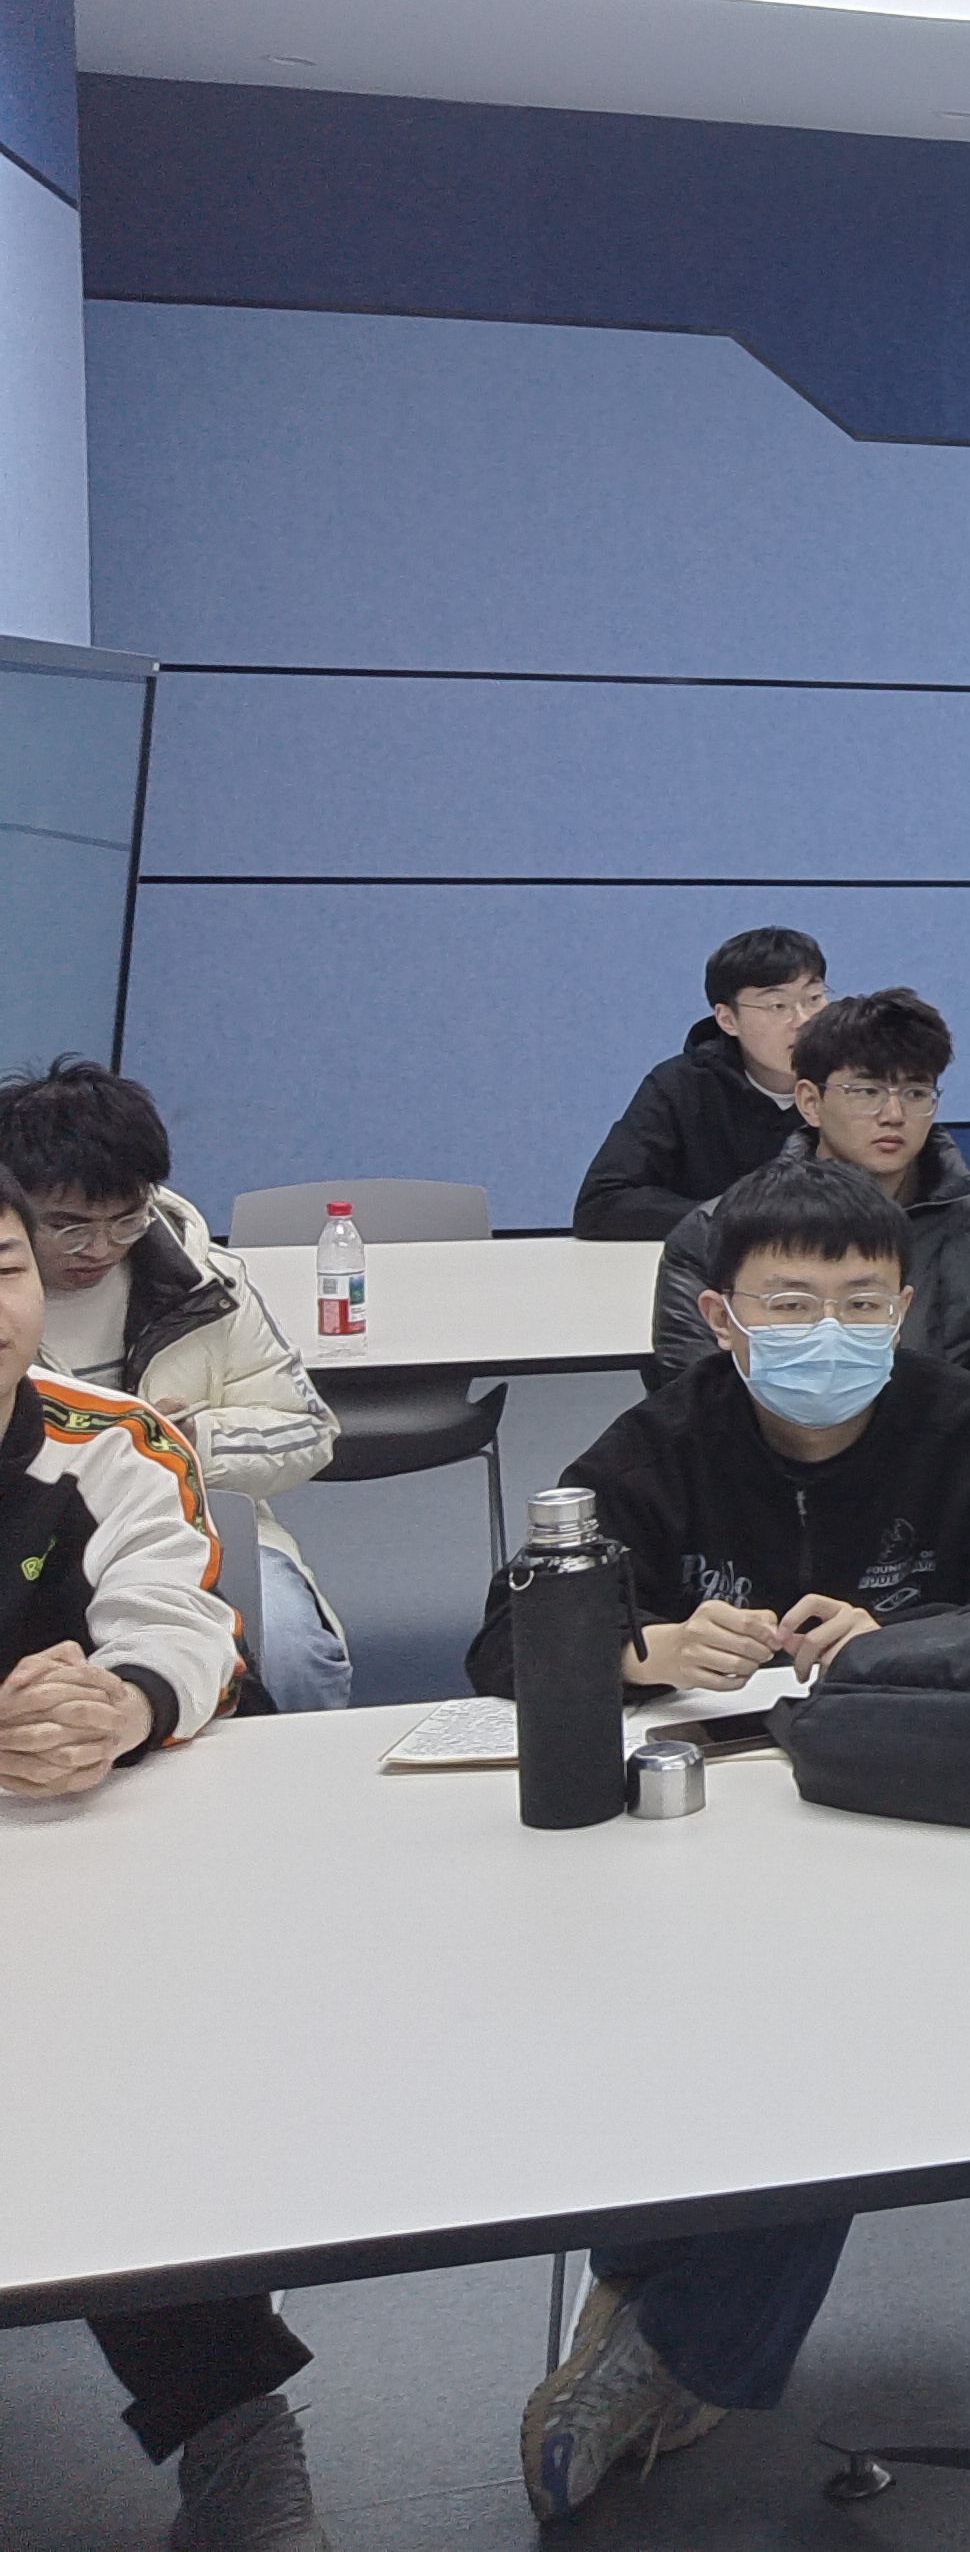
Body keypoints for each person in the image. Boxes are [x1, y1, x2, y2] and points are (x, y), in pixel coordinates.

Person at [485, 1158, 970, 2521]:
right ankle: (658, 2298)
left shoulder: (967, 1429)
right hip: (687, 1852)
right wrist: (637, 1647)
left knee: (833, 2035)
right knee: (636, 1999)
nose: (830, 1332)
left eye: (862, 1303)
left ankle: (668, 2348)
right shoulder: (661, 1442)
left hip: (918, 1847)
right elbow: (501, 1635)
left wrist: (911, 1639)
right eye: (793, 1304)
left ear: (906, 1308)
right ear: (723, 1316)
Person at [2, 1170, 340, 2551]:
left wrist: (121, 1705)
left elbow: (182, 1621)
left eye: (2, 1270)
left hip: (72, 1871)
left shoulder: (106, 1439)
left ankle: (234, 2428)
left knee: (115, 2076)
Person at [0, 1059, 347, 1708]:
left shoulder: (205, 1284)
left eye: (126, 1221)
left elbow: (310, 1430)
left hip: (203, 1528)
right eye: (70, 1226)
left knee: (294, 1653)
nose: (99, 1248)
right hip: (28, 1542)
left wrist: (184, 1445)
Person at [645, 990, 970, 1456]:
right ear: (810, 1102)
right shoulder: (715, 1234)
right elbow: (699, 1408)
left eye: (915, 1093)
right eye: (866, 1092)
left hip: (955, 1488)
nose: (893, 1115)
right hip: (765, 1488)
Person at [573, 928, 828, 1239]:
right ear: (728, 1019)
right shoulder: (681, 1087)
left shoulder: (853, 1083)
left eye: (814, 998)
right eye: (778, 1005)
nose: (803, 1020)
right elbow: (601, 1204)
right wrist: (737, 1218)